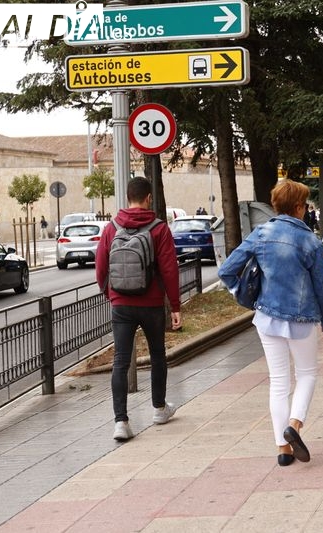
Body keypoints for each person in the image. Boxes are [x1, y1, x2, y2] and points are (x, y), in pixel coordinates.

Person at [218, 180, 323, 467]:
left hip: (267, 317)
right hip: (302, 319)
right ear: (299, 207)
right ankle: (294, 425)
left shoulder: (261, 233)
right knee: (307, 374)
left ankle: (283, 449)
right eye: (305, 204)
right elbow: (322, 287)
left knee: (278, 381)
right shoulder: (311, 242)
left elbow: (227, 270)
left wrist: (242, 293)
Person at [95, 176, 182, 442]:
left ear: (127, 198)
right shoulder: (159, 229)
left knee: (121, 361)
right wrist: (175, 305)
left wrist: (110, 294)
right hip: (152, 303)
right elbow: (169, 269)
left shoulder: (111, 227)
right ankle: (159, 409)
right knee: (157, 355)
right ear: (148, 199)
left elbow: (100, 266)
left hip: (121, 304)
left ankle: (121, 422)